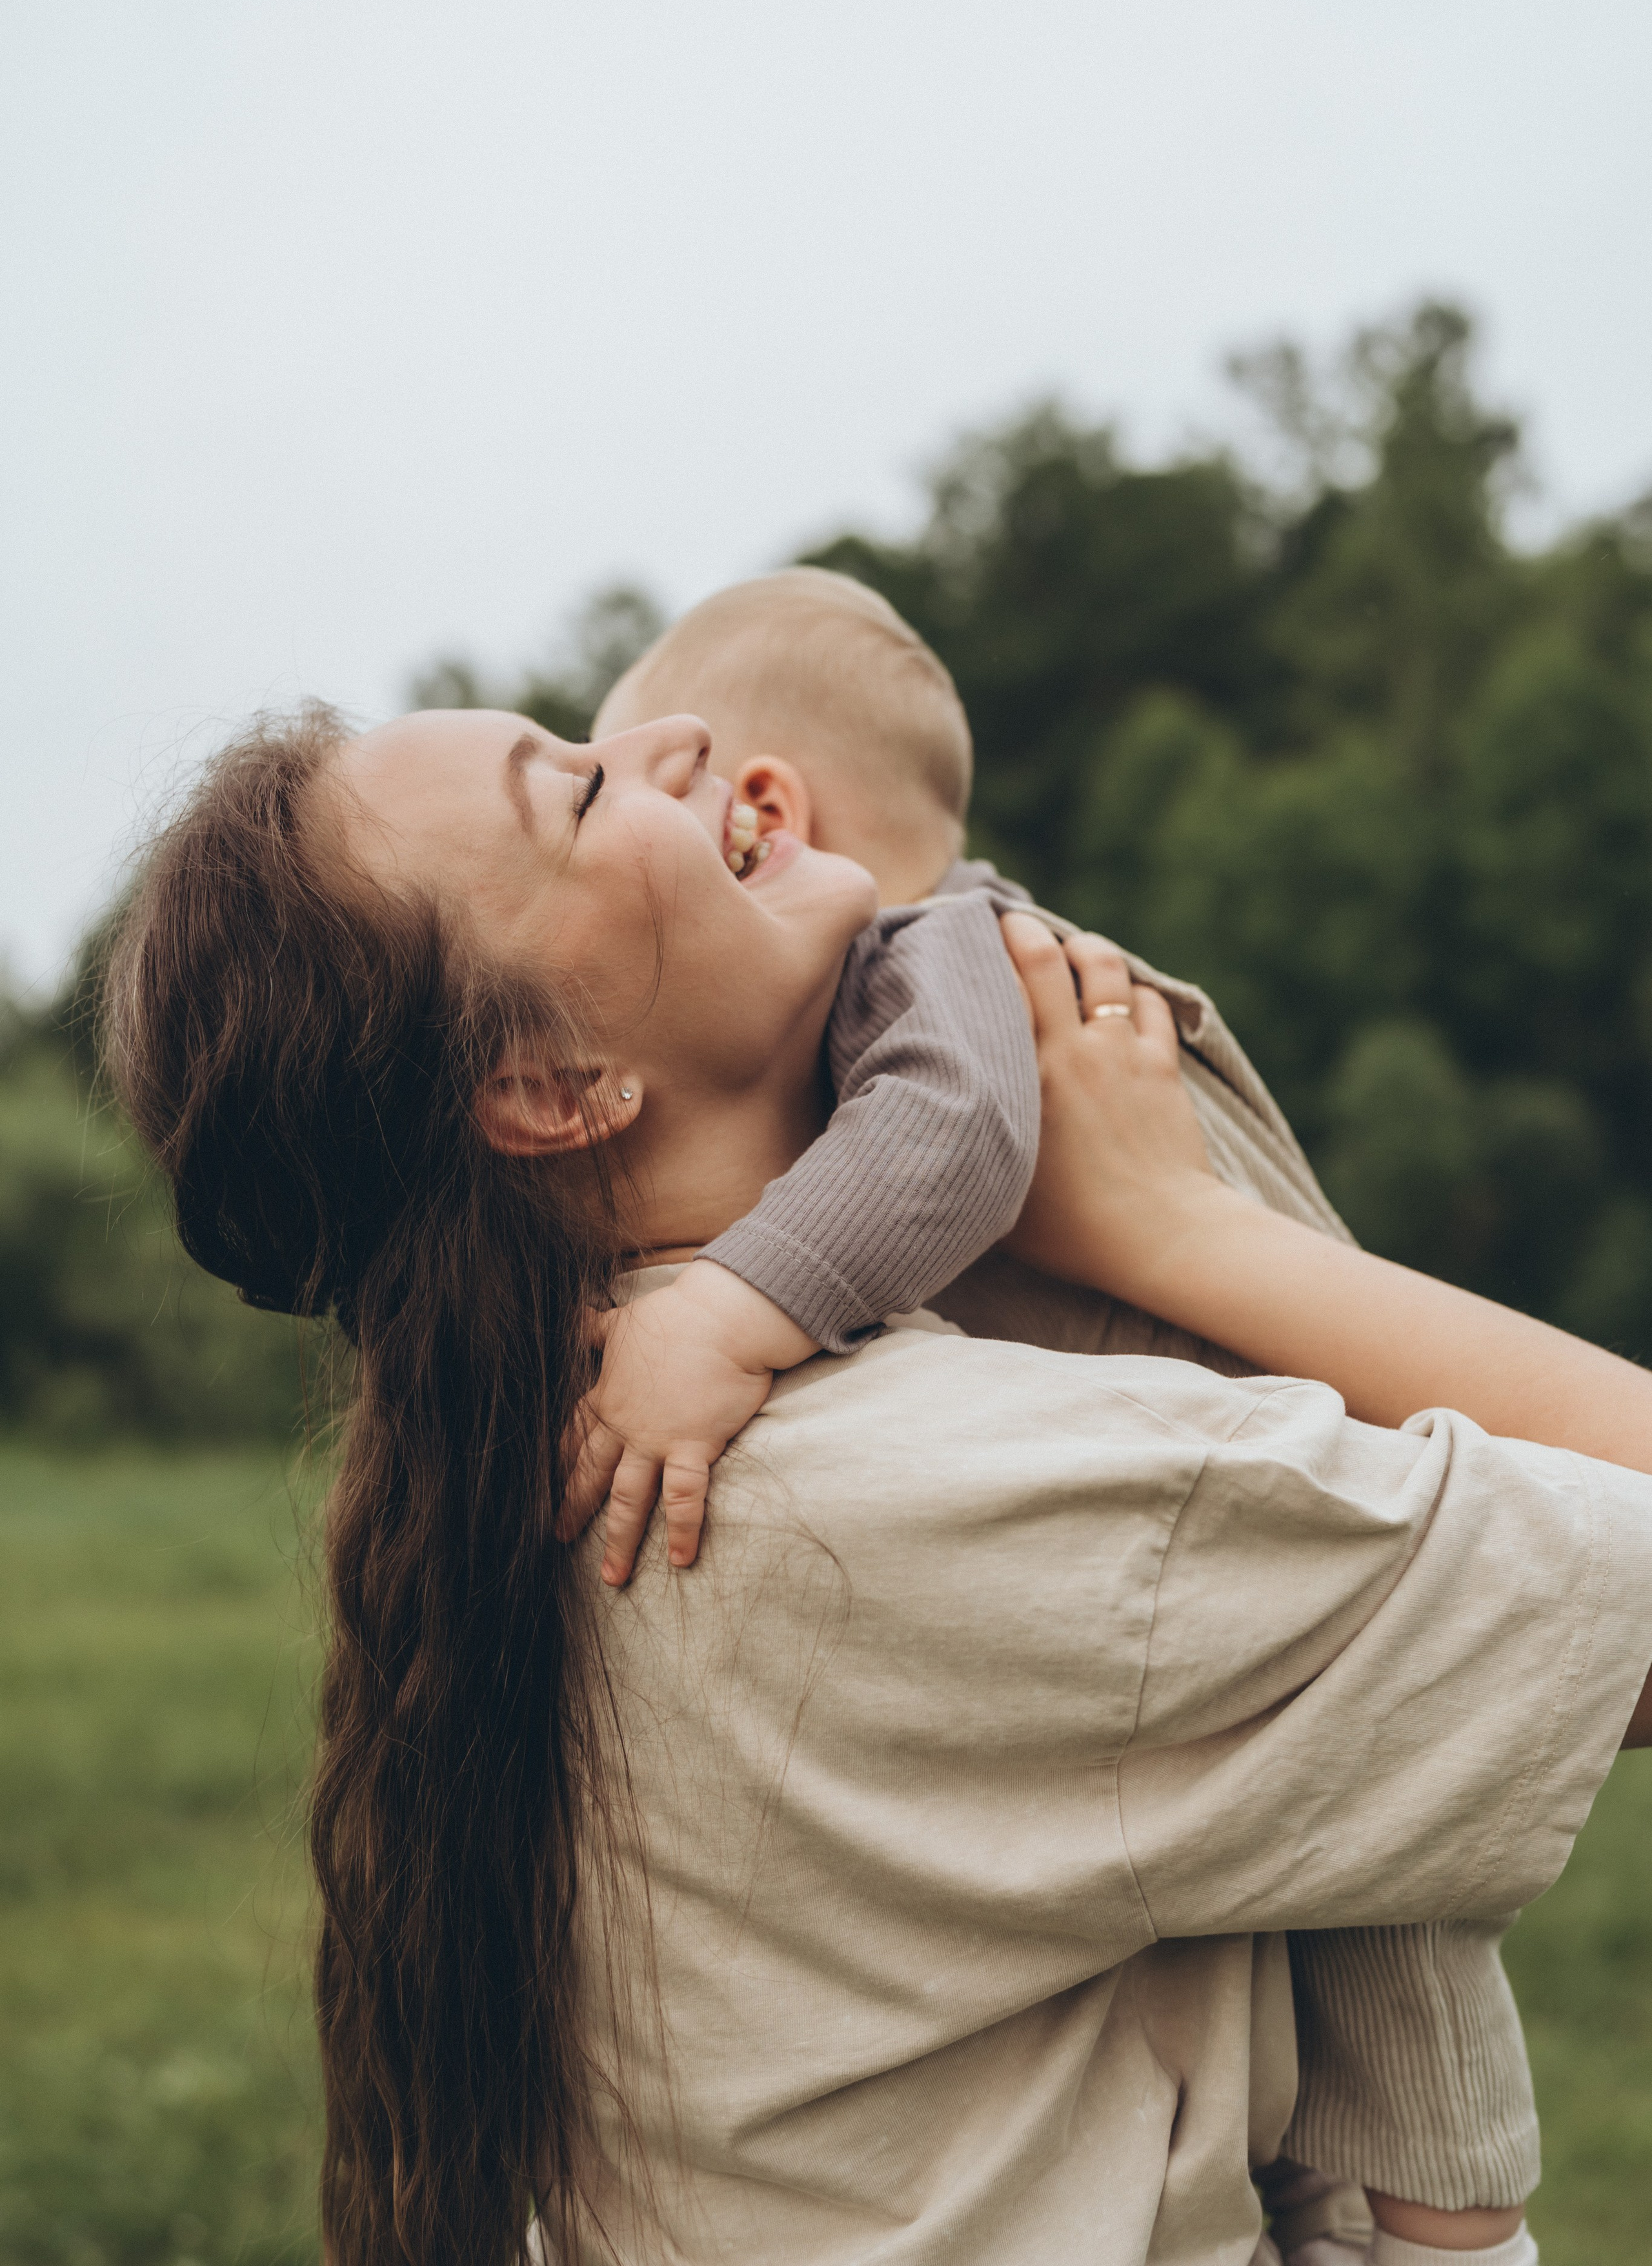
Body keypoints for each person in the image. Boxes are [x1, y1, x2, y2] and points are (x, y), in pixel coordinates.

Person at [100, 698, 1652, 2266]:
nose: (682, 736)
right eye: (575, 790)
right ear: (554, 1086)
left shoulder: (530, 1469)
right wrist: (1179, 1232)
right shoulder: (935, 1496)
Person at [585, 570, 1538, 2260]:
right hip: (1236, 1454)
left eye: (636, 792)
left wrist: (734, 1310)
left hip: (1284, 1441)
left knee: (1395, 1906)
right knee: (1323, 1898)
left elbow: (950, 1140)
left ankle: (1452, 2230)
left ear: (764, 809)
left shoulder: (943, 959)